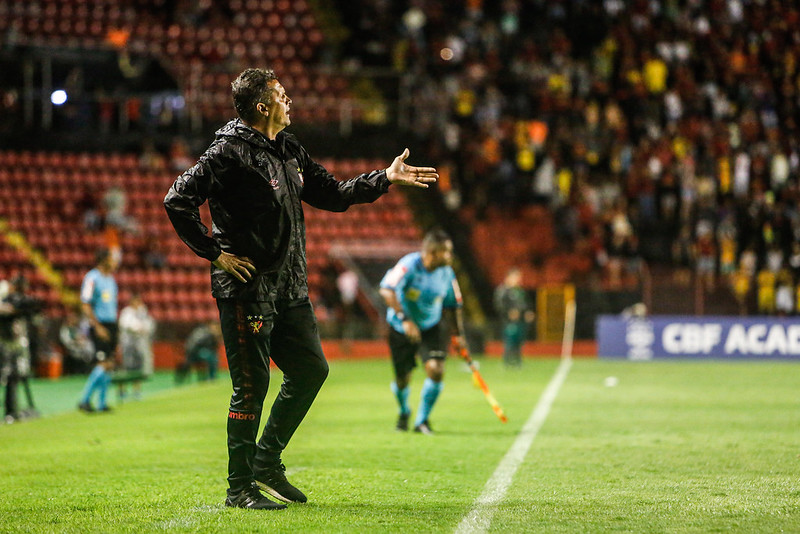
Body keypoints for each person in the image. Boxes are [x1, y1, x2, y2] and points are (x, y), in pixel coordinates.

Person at [163, 67, 438, 510]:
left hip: (289, 285)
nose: (289, 100)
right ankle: (239, 488)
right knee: (250, 388)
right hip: (247, 288)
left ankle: (267, 461)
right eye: (281, 94)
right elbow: (177, 200)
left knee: (311, 370)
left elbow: (332, 193)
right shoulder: (228, 152)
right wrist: (214, 253)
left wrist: (384, 178)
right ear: (261, 106)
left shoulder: (288, 147)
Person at [378, 229, 465, 435]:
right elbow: (386, 290)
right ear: (433, 253)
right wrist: (404, 319)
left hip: (431, 327)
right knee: (403, 379)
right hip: (401, 327)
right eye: (447, 252)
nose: (450, 256)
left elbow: (454, 305)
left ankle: (422, 421)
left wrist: (458, 335)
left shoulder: (447, 273)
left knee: (436, 370)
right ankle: (404, 411)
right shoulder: (408, 265)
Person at [77, 248, 119, 413]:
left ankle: (102, 403)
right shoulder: (91, 278)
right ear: (104, 260)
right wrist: (97, 326)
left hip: (111, 324)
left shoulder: (111, 279)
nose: (115, 262)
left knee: (109, 364)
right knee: (103, 364)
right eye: (112, 258)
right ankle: (84, 400)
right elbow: (85, 304)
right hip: (99, 324)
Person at [493, 267, 535, 367]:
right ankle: (507, 361)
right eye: (516, 277)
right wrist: (508, 313)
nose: (518, 279)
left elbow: (525, 304)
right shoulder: (502, 290)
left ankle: (517, 361)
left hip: (521, 320)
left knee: (519, 340)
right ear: (508, 277)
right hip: (508, 321)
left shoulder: (519, 291)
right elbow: (498, 305)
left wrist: (528, 312)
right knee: (509, 340)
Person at [117, 293, 155, 399]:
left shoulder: (142, 312)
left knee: (138, 367)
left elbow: (149, 324)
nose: (139, 304)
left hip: (139, 344)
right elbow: (126, 325)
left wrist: (144, 328)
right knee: (126, 367)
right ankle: (122, 390)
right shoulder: (126, 313)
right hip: (127, 345)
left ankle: (136, 390)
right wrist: (138, 328)